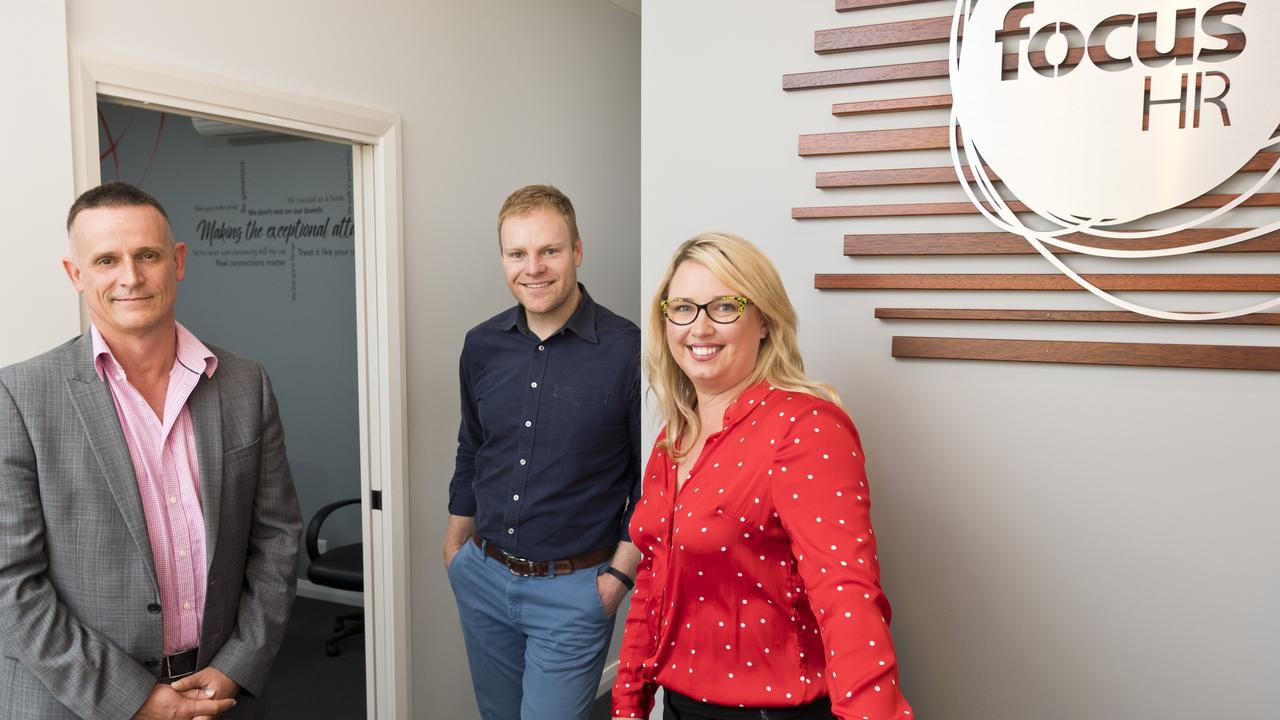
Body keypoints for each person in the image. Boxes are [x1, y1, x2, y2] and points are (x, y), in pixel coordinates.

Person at [0, 182, 301, 720]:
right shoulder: (19, 397)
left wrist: (240, 661)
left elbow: (277, 537)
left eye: (147, 255)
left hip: (221, 696)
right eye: (106, 260)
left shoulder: (243, 384)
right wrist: (138, 700)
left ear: (177, 261)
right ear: (76, 274)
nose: (131, 277)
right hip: (76, 704)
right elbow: (10, 584)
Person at [612, 232, 914, 720]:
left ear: (765, 322)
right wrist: (628, 704)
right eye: (683, 307)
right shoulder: (675, 436)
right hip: (681, 706)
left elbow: (847, 597)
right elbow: (653, 581)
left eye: (725, 307)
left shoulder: (806, 427)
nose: (700, 328)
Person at [442, 184, 642, 720]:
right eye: (517, 253)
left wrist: (617, 578)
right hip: (483, 576)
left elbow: (653, 479)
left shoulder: (630, 352)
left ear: (577, 250)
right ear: (503, 258)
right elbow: (473, 445)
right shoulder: (481, 345)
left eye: (549, 250)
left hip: (575, 591)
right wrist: (455, 548)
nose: (533, 268)